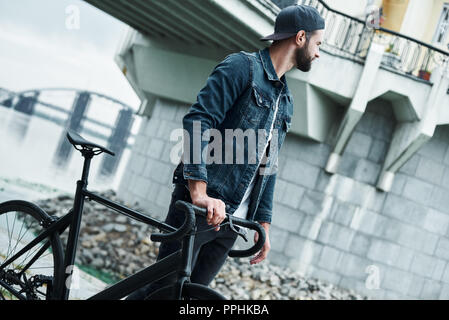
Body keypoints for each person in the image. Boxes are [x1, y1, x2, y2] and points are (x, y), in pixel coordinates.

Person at [126, 4, 325, 300]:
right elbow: (198, 121)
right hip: (201, 210)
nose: (319, 53)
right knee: (164, 292)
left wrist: (263, 224)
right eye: (318, 43)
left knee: (189, 299)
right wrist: (199, 192)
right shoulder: (241, 67)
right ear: (300, 37)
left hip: (233, 221)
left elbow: (269, 163)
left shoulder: (286, 100)